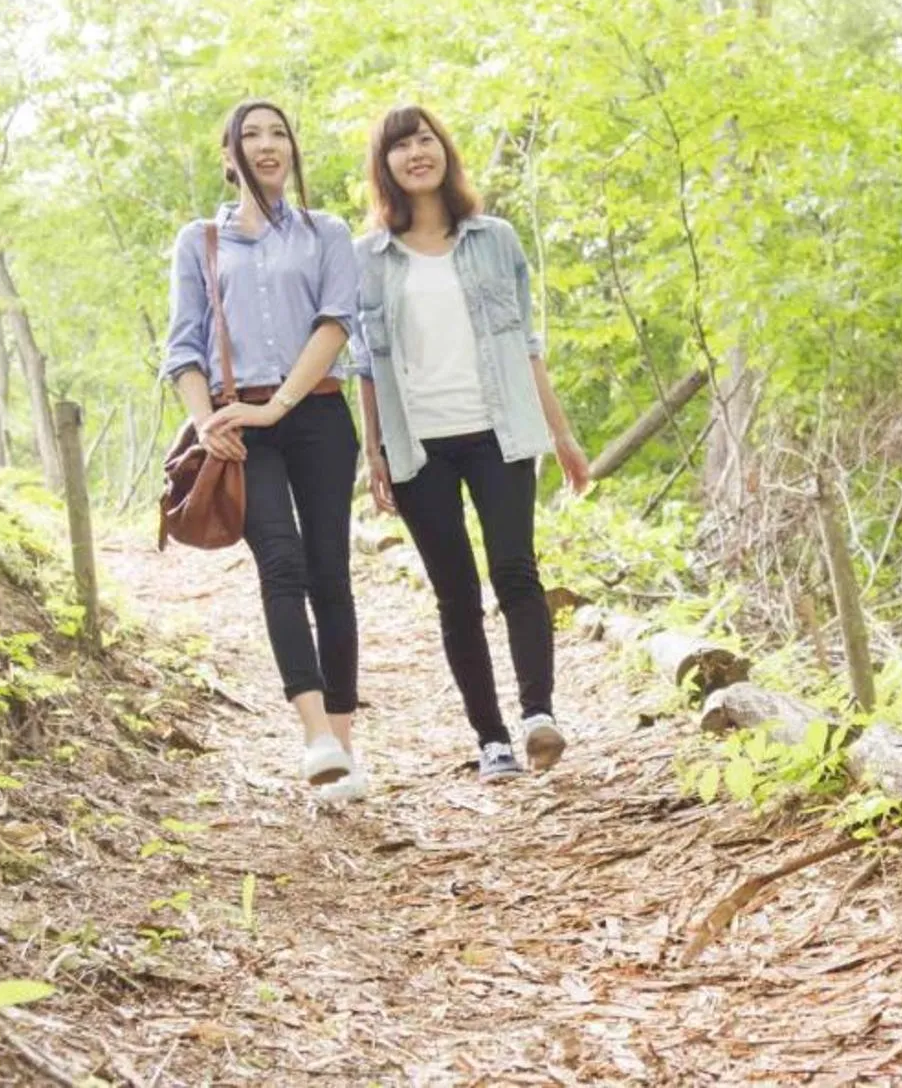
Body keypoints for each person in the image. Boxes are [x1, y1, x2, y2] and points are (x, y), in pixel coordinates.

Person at [353, 103, 590, 782]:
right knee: (455, 593)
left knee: (516, 572)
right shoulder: (367, 257)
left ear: (444, 151)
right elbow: (367, 366)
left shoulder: (495, 239)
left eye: (424, 139)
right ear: (385, 167)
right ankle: (491, 739)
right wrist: (374, 453)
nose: (415, 153)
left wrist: (561, 432)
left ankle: (538, 714)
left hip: (500, 430)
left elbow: (526, 344)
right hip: (418, 443)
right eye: (399, 147)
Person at [162, 99, 370, 804]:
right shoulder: (199, 241)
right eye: (250, 135)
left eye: (278, 133)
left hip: (314, 413)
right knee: (279, 561)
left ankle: (344, 744)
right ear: (228, 156)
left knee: (328, 572)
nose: (266, 144)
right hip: (237, 427)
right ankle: (314, 736)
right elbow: (182, 348)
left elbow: (336, 323)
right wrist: (209, 421)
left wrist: (277, 403)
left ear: (293, 150)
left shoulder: (326, 232)